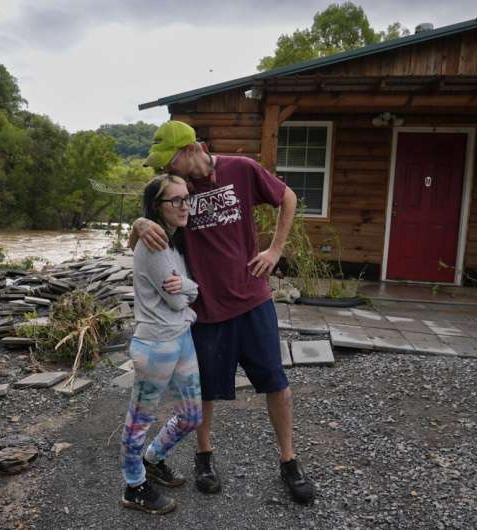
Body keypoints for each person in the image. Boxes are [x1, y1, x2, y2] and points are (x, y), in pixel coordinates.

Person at [131, 120, 315, 504]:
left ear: (191, 150)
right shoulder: (176, 191)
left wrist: (275, 250)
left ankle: (289, 460)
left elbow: (288, 197)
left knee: (275, 382)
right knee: (207, 391)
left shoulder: (241, 169)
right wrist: (140, 221)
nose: (167, 171)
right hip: (207, 309)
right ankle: (204, 457)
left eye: (170, 162)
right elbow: (140, 226)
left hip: (253, 300)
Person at [119, 174, 203, 515]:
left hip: (181, 338)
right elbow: (176, 301)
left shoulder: (174, 240)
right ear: (157, 206)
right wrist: (192, 289)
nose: (184, 206)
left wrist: (186, 287)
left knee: (192, 415)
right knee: (139, 420)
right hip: (155, 344)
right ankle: (134, 485)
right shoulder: (153, 244)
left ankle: (153, 459)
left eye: (187, 198)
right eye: (175, 200)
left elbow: (182, 292)